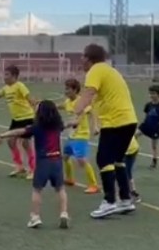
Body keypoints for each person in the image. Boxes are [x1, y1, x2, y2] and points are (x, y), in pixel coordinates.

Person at [66, 43, 139, 219]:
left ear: (89, 58)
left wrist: (75, 111)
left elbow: (88, 93)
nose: (81, 59)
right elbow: (95, 99)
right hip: (129, 120)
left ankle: (109, 201)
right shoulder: (109, 70)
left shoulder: (96, 70)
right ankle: (125, 199)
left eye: (83, 56)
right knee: (118, 160)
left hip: (115, 121)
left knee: (103, 159)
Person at [0, 100, 70, 229]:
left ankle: (35, 217)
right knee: (60, 189)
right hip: (57, 161)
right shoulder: (58, 126)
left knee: (37, 190)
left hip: (43, 162)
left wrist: (3, 135)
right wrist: (76, 120)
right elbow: (69, 124)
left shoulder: (36, 128)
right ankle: (63, 213)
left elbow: (18, 132)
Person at [0, 65, 37, 179]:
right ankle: (19, 166)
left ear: (14, 76)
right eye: (4, 74)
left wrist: (36, 107)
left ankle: (33, 169)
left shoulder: (20, 86)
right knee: (11, 141)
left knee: (26, 143)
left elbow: (29, 98)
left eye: (7, 75)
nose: (4, 77)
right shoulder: (5, 88)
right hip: (16, 119)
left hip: (27, 118)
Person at [59, 78, 100, 194]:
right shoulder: (68, 102)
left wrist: (95, 126)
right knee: (65, 157)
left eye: (68, 89)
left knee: (81, 160)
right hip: (71, 135)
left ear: (75, 90)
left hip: (81, 135)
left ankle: (94, 185)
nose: (65, 91)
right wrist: (45, 105)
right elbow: (61, 106)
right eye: (65, 88)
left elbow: (91, 112)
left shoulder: (81, 102)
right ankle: (70, 179)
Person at [138, 85, 159, 168]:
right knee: (134, 136)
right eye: (150, 93)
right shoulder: (148, 105)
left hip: (155, 128)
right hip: (146, 125)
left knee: (154, 146)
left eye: (153, 93)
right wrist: (144, 123)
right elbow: (146, 115)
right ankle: (131, 151)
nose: (151, 95)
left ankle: (154, 160)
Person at [124, 134, 141, 203]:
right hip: (134, 147)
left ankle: (130, 193)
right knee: (127, 171)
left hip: (128, 149)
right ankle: (132, 192)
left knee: (124, 172)